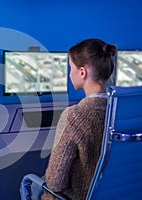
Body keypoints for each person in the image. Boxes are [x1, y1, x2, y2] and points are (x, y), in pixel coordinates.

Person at [41, 38, 117, 200]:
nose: (69, 73)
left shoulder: (74, 115)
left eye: (71, 68)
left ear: (82, 72)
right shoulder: (124, 112)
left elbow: (55, 182)